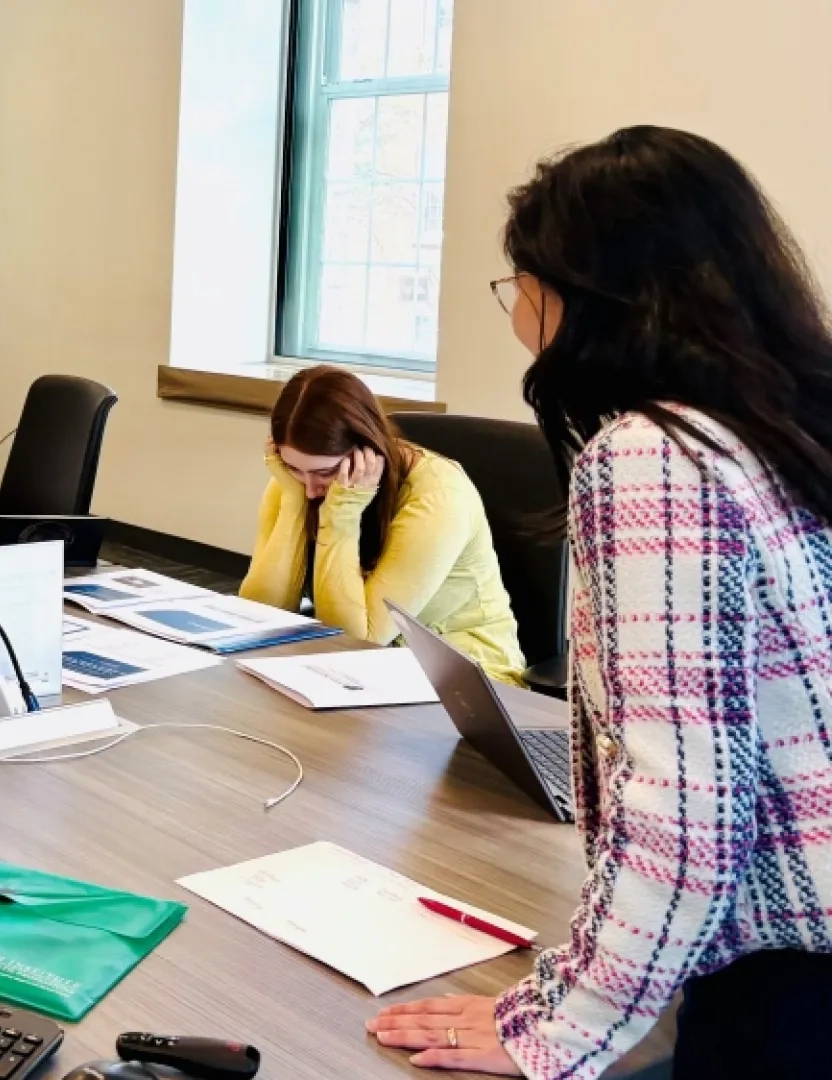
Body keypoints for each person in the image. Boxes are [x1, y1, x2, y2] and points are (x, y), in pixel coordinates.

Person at [368, 126, 832, 1079]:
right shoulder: (782, 424)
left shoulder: (659, 458)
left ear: (584, 295)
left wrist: (556, 1024)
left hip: (790, 980)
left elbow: (687, 805)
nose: (516, 313)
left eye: (519, 284)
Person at [238, 367, 525, 684]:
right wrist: (292, 503)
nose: (310, 489)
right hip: (362, 675)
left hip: (466, 682)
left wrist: (342, 514)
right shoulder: (298, 483)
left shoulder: (439, 495)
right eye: (293, 468)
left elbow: (360, 640)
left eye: (325, 472)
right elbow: (260, 614)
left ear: (366, 451)